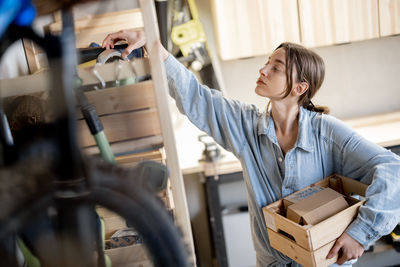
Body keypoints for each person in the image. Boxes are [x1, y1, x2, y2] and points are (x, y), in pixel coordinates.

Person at [102, 30, 400, 267]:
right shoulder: (246, 125)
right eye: (267, 63)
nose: (264, 69)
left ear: (299, 89)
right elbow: (196, 96)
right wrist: (152, 44)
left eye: (276, 67)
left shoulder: (327, 133)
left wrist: (359, 234)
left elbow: (393, 170)